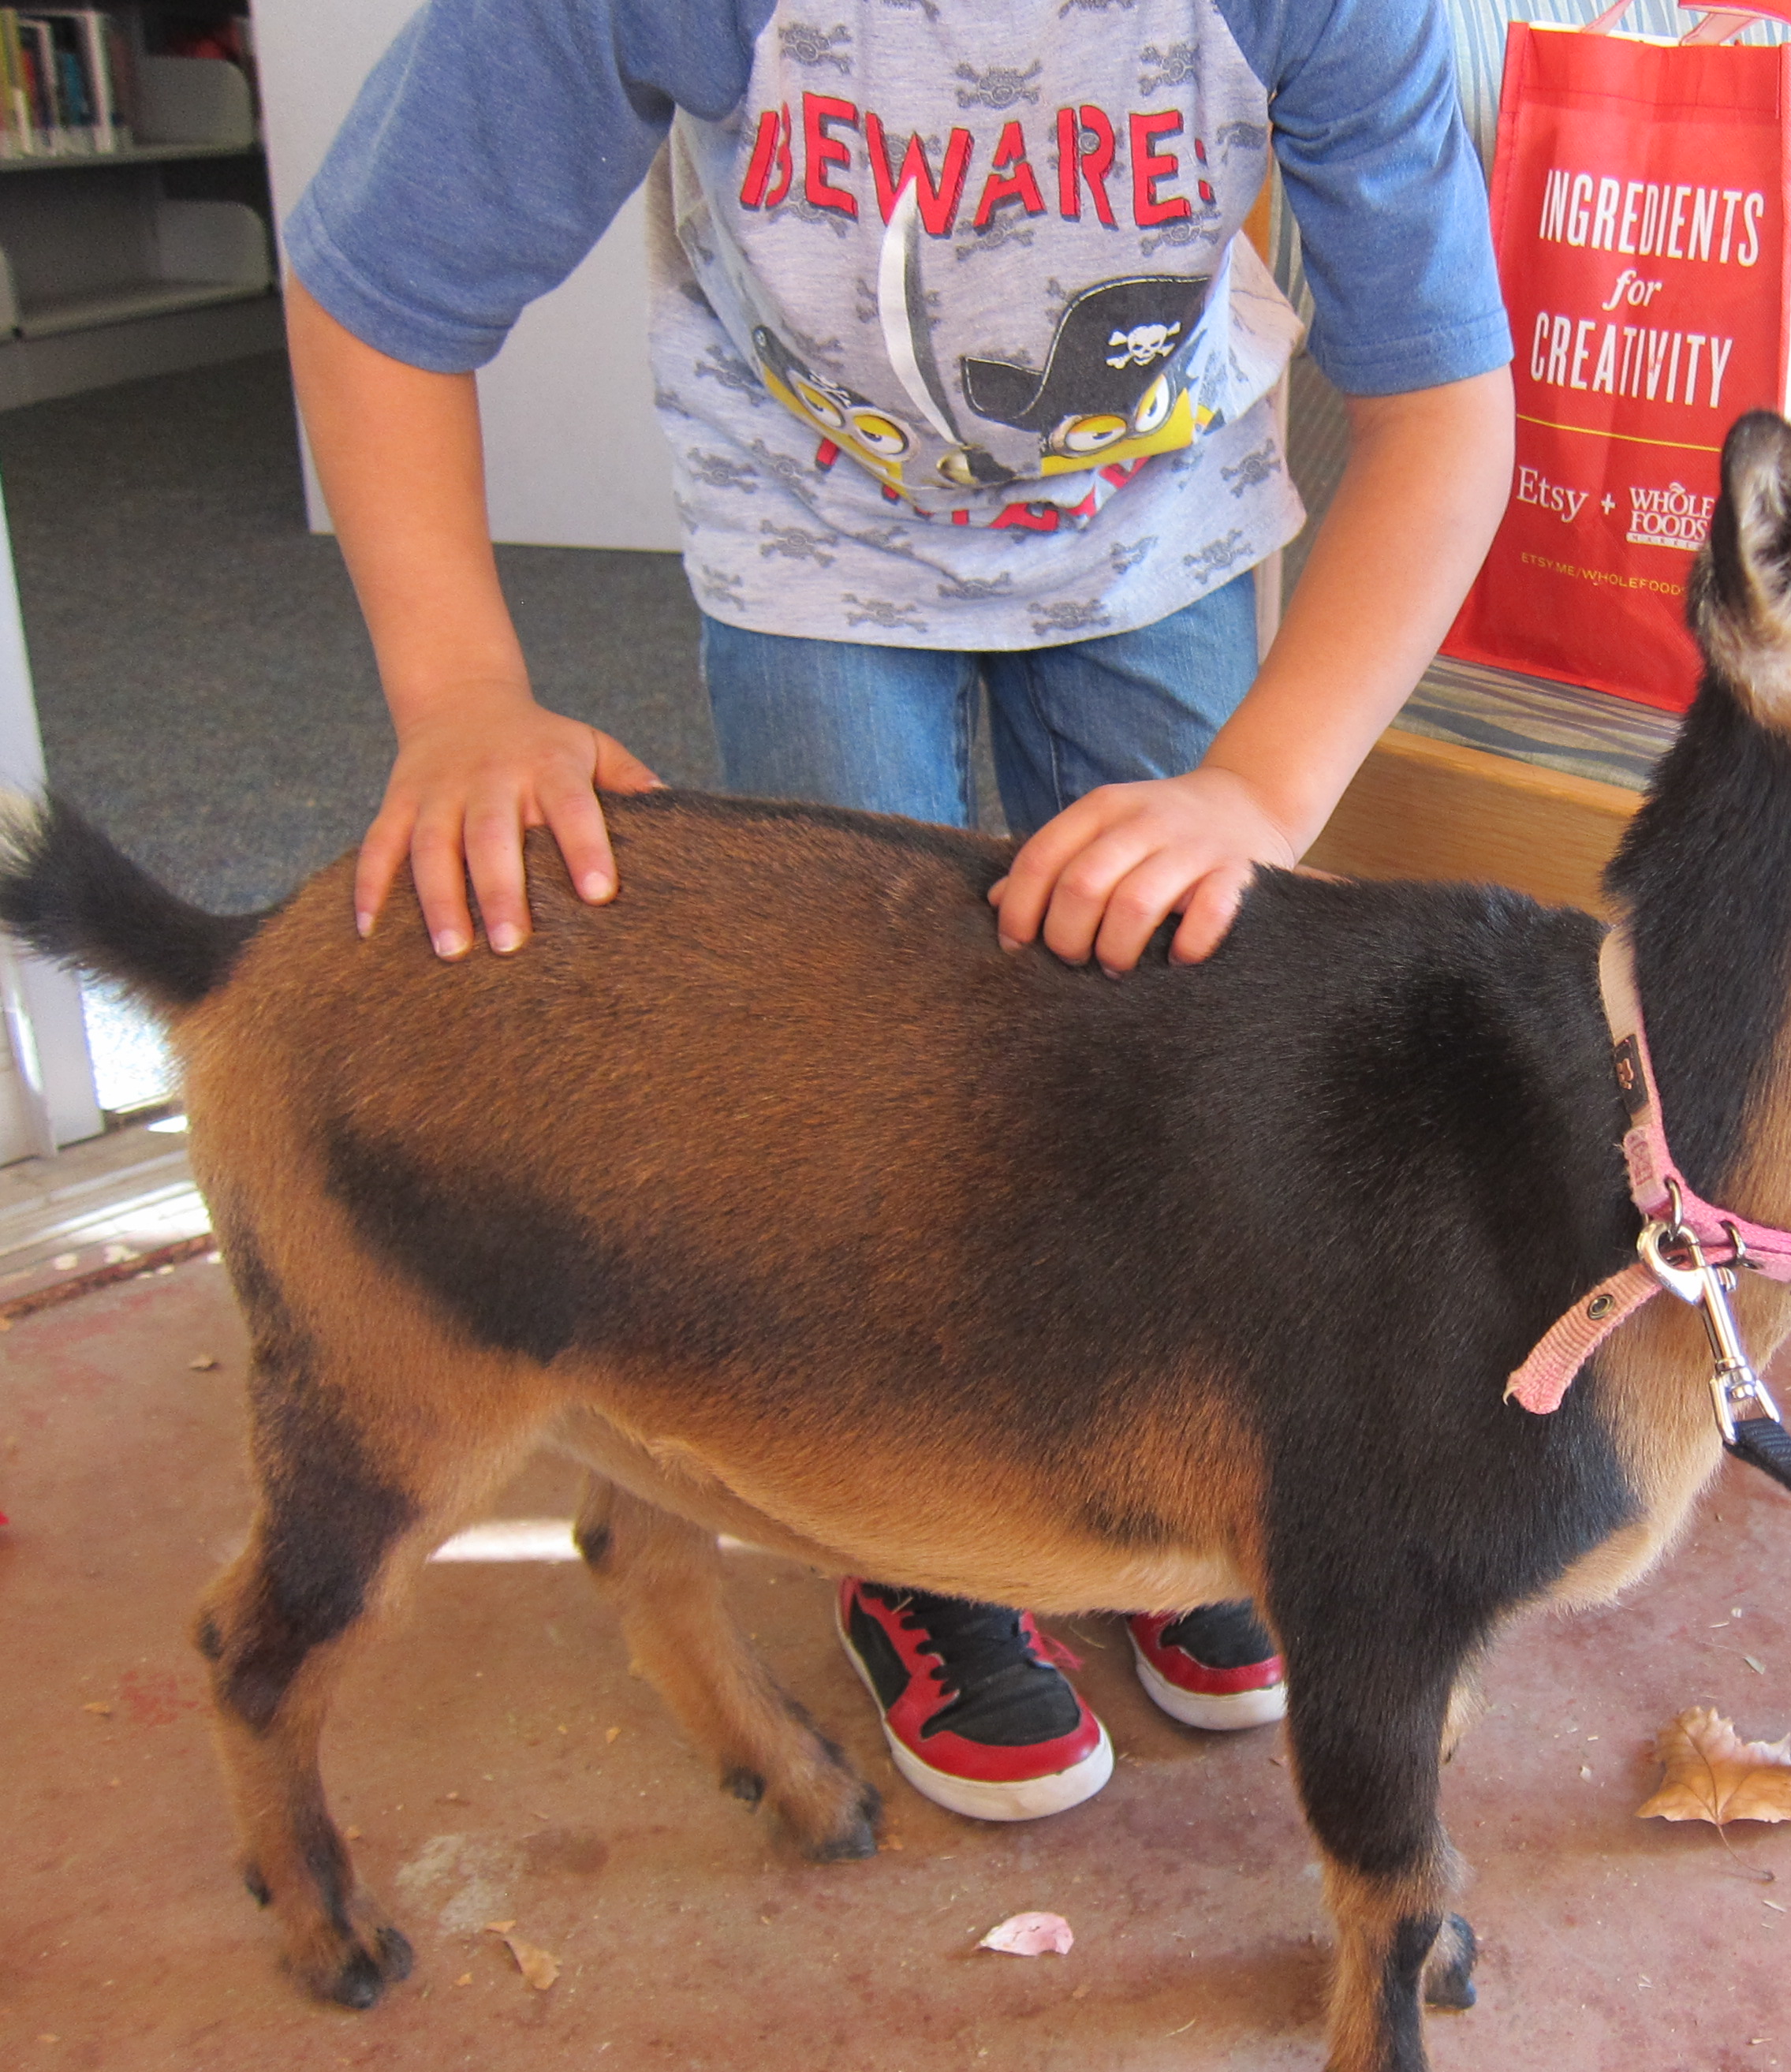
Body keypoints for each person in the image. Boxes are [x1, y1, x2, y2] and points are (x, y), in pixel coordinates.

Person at [285, 0, 1515, 1822]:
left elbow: (1444, 411)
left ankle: (1172, 1492)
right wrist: (461, 690)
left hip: (1156, 533)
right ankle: (908, 1536)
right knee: (866, 1088)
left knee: (1195, 1036)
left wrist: (1260, 794)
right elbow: (380, 288)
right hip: (820, 553)